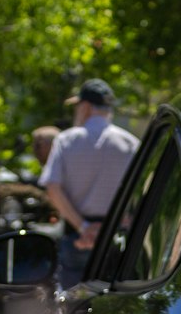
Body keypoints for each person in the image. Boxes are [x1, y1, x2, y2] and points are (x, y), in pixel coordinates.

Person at [40, 78, 138, 286]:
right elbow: (140, 191)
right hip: (117, 235)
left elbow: (53, 188)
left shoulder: (66, 140)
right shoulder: (130, 143)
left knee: (73, 302)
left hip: (77, 235)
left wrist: (84, 227)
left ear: (85, 107)